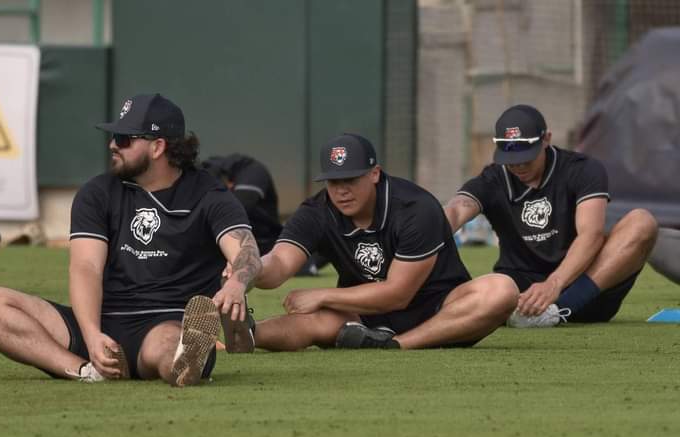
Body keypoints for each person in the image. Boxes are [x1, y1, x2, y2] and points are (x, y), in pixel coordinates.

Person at [0, 93, 260, 386]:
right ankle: (87, 370)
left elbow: (245, 249)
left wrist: (237, 282)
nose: (112, 145)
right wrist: (92, 335)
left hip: (165, 322)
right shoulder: (98, 193)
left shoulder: (210, 195)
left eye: (123, 139)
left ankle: (187, 358)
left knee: (172, 348)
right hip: (100, 321)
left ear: (158, 147)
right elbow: (86, 268)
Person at [247, 133, 518, 350]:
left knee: (501, 289)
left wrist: (322, 295)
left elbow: (398, 294)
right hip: (362, 317)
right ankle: (243, 337)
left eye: (350, 179)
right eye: (333, 181)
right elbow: (280, 261)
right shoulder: (317, 211)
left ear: (374, 173)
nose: (341, 191)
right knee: (313, 323)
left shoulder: (416, 207)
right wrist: (247, 271)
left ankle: (396, 345)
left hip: (440, 310)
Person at [444, 104, 658, 328]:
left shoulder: (583, 170)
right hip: (520, 296)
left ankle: (558, 312)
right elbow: (457, 209)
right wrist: (429, 228)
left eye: (526, 158)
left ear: (546, 139)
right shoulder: (491, 180)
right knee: (437, 230)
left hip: (585, 290)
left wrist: (554, 285)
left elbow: (591, 235)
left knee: (642, 222)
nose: (518, 166)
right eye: (510, 158)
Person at [202, 153, 327, 275]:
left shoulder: (252, 171)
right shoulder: (204, 172)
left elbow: (240, 207)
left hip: (265, 242)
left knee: (291, 264)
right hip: (232, 244)